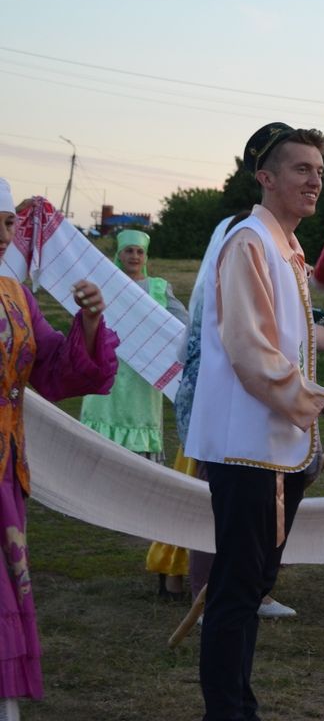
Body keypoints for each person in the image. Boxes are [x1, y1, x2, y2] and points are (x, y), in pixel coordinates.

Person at [184, 124, 324, 721]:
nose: (315, 180)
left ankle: (239, 705)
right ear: (264, 177)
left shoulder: (284, 247)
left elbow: (287, 338)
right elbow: (250, 349)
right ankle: (229, 712)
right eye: (300, 169)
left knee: (251, 584)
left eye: (319, 170)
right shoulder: (250, 243)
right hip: (248, 448)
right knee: (238, 593)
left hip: (276, 446)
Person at [0, 179, 119, 720]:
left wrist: (89, 322)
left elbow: (52, 367)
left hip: (5, 466)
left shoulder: (16, 296)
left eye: (6, 224)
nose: (1, 236)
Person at [80, 229, 188, 463]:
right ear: (119, 254)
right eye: (129, 251)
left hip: (143, 375)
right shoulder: (105, 285)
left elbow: (184, 324)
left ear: (146, 257)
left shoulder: (158, 287)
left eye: (140, 252)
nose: (135, 256)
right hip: (109, 370)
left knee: (140, 423)